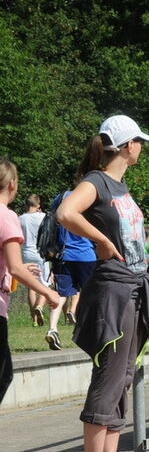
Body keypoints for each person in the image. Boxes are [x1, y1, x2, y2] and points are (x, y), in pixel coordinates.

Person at [56, 114, 149, 452]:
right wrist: (100, 239)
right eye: (139, 142)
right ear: (129, 145)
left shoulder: (119, 186)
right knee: (109, 372)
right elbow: (66, 212)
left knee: (123, 374)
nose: (141, 148)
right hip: (112, 286)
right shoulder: (96, 181)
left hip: (130, 285)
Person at [0, 160, 60, 405]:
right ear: (12, 184)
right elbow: (15, 266)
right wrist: (49, 293)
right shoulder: (7, 217)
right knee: (3, 375)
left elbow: (12, 266)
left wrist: (16, 268)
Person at [44, 185, 98, 350]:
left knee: (61, 294)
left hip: (63, 254)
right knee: (92, 294)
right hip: (85, 255)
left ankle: (53, 328)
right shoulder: (89, 198)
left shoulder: (60, 197)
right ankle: (93, 331)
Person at [18, 193, 50, 326]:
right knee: (44, 284)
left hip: (27, 253)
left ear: (27, 204)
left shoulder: (21, 218)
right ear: (38, 205)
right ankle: (40, 307)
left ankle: (34, 320)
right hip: (41, 253)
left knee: (31, 286)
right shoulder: (43, 216)